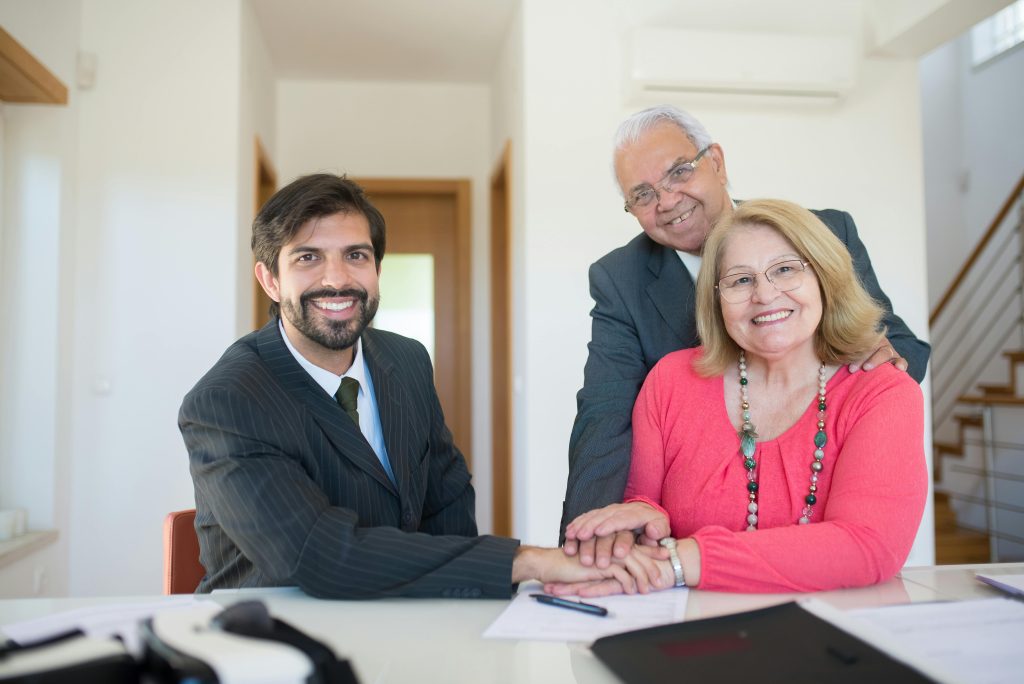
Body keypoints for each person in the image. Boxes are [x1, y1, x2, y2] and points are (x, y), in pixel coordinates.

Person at [179, 173, 655, 599]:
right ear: (270, 280)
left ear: (377, 269)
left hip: (403, 619)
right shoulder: (227, 400)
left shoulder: (405, 360)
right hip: (271, 637)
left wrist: (458, 607)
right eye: (308, 258)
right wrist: (525, 561)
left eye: (356, 256)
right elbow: (314, 555)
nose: (337, 279)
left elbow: (446, 499)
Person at [562, 105, 930, 557]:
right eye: (642, 194)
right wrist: (590, 540)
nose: (667, 200)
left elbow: (895, 346)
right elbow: (603, 412)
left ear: (715, 161)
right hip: (688, 536)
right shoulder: (621, 279)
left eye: (679, 172)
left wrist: (853, 405)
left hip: (816, 509)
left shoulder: (822, 232)